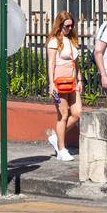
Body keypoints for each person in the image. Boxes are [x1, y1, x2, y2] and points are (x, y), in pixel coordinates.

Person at [45, 10, 82, 161]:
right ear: (60, 25)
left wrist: (80, 80)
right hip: (59, 84)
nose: (69, 28)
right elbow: (51, 63)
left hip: (72, 82)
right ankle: (61, 149)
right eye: (66, 26)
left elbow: (76, 63)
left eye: (71, 26)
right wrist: (51, 84)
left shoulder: (71, 40)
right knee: (63, 114)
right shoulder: (54, 41)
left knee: (77, 113)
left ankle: (55, 137)